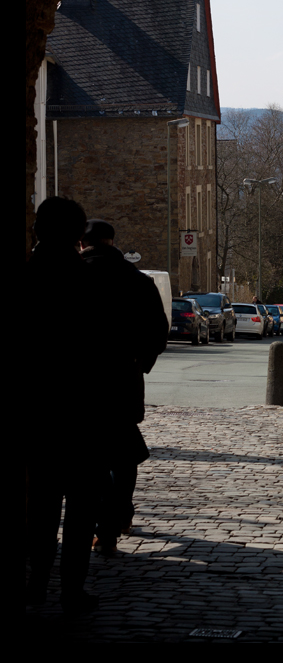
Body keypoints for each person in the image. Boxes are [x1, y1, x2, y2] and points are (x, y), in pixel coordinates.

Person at [26, 197, 103, 615]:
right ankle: (71, 587)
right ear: (77, 234)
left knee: (39, 502)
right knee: (79, 507)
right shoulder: (84, 279)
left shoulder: (30, 273)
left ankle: (36, 581)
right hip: (81, 409)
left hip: (38, 408)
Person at [80, 219, 168, 556]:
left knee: (90, 457)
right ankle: (119, 517)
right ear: (112, 242)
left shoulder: (73, 277)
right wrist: (139, 361)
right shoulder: (137, 281)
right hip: (122, 379)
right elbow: (158, 332)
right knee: (123, 453)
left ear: (81, 243)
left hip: (81, 382)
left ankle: (106, 525)